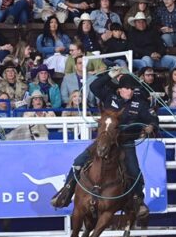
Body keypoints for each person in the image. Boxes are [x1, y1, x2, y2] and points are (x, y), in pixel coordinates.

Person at [50, 67, 159, 218]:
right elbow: (94, 87)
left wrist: (151, 126)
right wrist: (109, 75)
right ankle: (66, 192)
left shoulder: (139, 105)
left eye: (132, 89)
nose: (130, 92)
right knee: (78, 162)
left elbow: (152, 118)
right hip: (104, 142)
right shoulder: (110, 96)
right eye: (127, 88)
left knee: (134, 172)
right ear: (120, 89)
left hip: (125, 142)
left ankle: (138, 201)